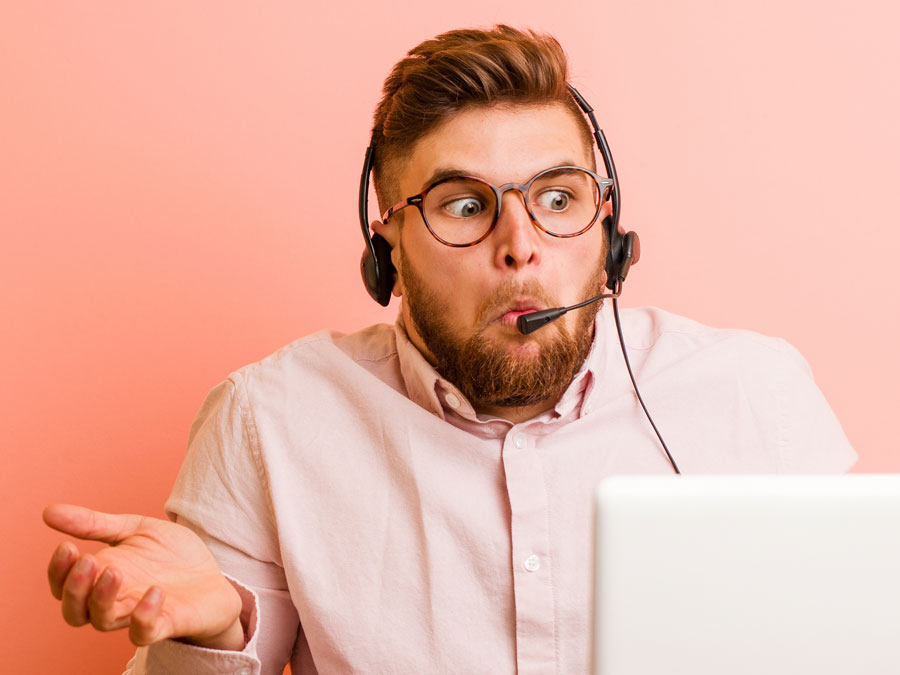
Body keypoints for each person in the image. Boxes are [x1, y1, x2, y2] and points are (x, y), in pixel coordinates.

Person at [44, 25, 856, 674]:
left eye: (558, 198)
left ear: (610, 231)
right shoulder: (267, 419)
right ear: (386, 248)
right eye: (466, 205)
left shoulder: (755, 392)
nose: (521, 245)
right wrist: (217, 631)